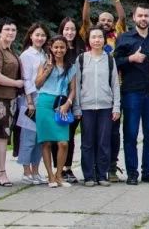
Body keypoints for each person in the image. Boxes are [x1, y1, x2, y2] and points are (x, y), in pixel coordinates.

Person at [114, 3, 149, 185]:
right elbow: (114, 62)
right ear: (134, 18)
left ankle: (148, 171)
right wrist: (131, 58)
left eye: (146, 16)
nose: (143, 19)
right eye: (140, 16)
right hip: (131, 93)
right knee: (130, 134)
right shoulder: (124, 38)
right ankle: (132, 173)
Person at [78, 0, 126, 182]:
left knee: (109, 137)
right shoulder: (87, 47)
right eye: (102, 20)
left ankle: (109, 169)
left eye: (109, 20)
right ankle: (90, 173)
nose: (106, 23)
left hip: (110, 95)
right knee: (89, 140)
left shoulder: (116, 36)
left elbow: (122, 16)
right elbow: (85, 18)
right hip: (89, 100)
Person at [74, 26, 121, 187]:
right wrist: (77, 107)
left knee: (103, 142)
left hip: (105, 107)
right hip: (86, 108)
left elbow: (115, 84)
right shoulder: (81, 59)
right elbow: (77, 85)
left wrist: (116, 107)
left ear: (104, 39)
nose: (97, 40)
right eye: (93, 37)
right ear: (89, 40)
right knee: (87, 142)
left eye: (100, 37)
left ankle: (102, 175)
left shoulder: (109, 59)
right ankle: (88, 176)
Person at [35, 35, 77, 187]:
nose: (59, 50)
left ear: (66, 49)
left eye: (62, 47)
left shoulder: (71, 67)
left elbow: (73, 90)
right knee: (45, 142)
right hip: (45, 103)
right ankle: (50, 176)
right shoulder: (44, 63)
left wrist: (68, 104)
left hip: (61, 104)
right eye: (56, 47)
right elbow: (37, 84)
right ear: (51, 48)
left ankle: (59, 175)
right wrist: (48, 70)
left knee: (63, 142)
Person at [0, 18, 23, 187]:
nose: (10, 32)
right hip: (0, 99)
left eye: (13, 30)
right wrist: (16, 83)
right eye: (7, 29)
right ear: (0, 32)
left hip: (10, 99)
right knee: (0, 137)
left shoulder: (10, 50)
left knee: (3, 137)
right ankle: (0, 172)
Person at [18, 23, 49, 185]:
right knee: (28, 138)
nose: (40, 38)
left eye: (43, 35)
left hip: (43, 101)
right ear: (31, 36)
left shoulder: (45, 54)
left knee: (40, 138)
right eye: (37, 35)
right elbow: (26, 80)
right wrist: (30, 102)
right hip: (29, 100)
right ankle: (26, 171)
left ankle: (36, 171)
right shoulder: (26, 55)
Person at [59, 17, 85, 184]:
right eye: (66, 29)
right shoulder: (57, 48)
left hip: (77, 98)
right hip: (59, 98)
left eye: (72, 29)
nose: (69, 32)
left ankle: (67, 167)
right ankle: (58, 168)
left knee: (70, 135)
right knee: (59, 135)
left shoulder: (81, 50)